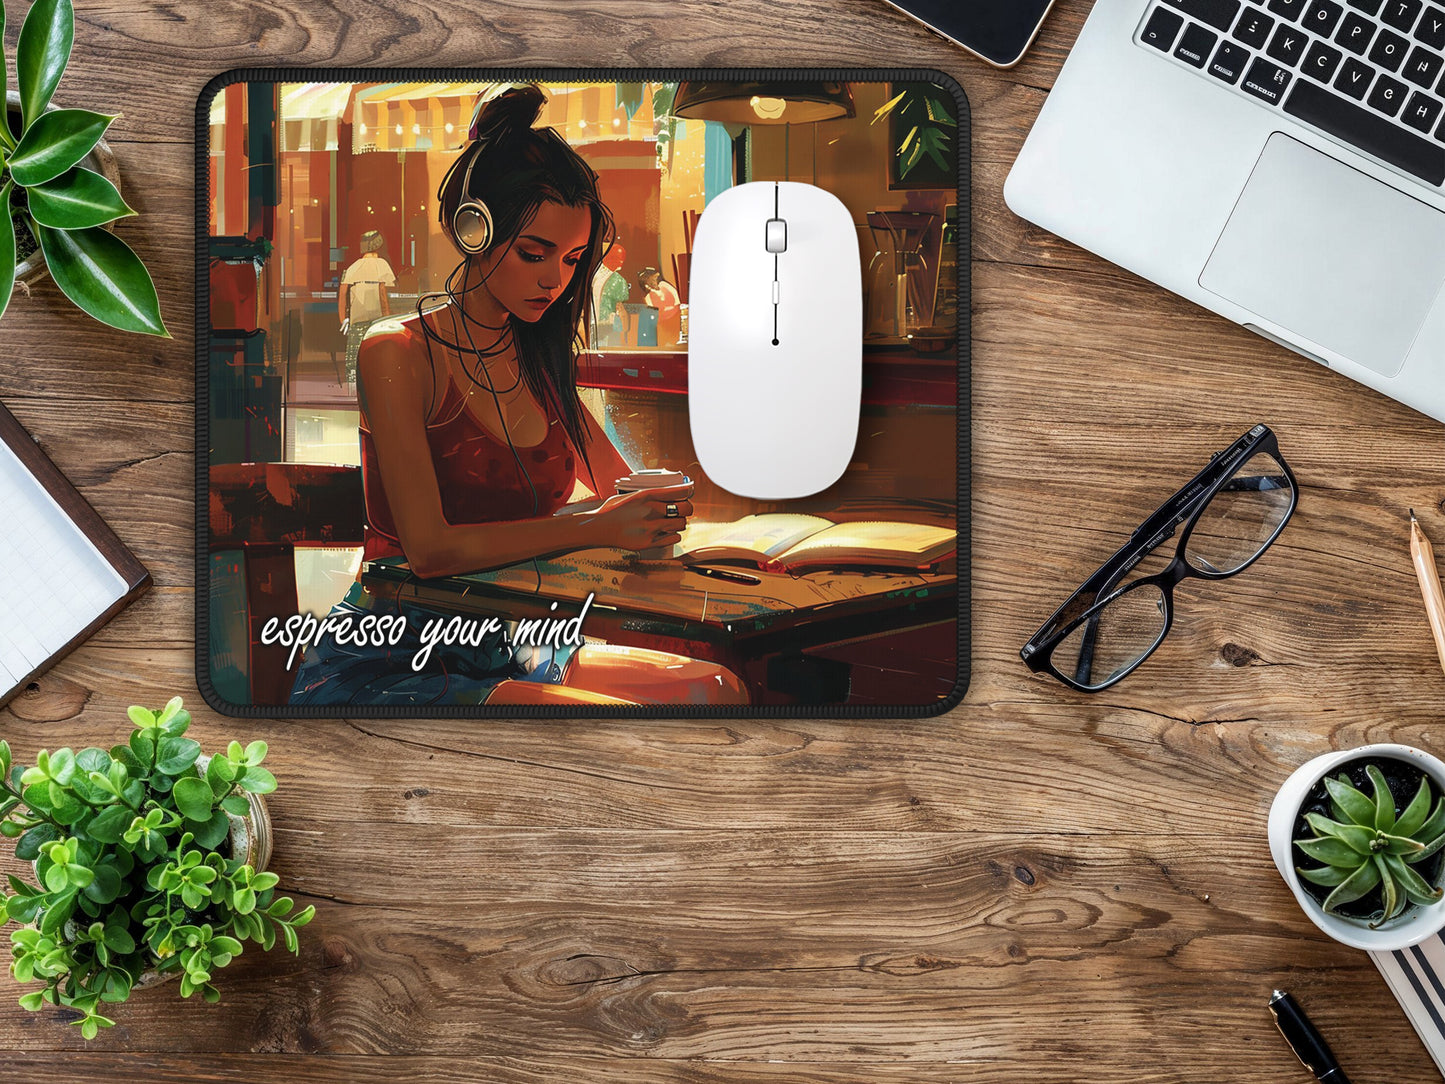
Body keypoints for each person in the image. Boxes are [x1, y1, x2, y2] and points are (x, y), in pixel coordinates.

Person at [291, 85, 742, 707]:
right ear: (473, 230)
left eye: (573, 259)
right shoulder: (395, 353)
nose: (555, 280)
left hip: (511, 640)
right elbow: (430, 550)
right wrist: (596, 527)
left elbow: (617, 491)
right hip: (391, 655)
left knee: (715, 691)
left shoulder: (536, 359)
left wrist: (647, 511)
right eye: (535, 254)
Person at [339, 230, 394, 385]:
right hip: (377, 320)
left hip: (357, 319)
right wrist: (388, 317)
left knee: (354, 357)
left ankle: (352, 387)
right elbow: (383, 294)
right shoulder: (382, 265)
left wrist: (343, 319)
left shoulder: (352, 267)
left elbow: (342, 294)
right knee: (377, 354)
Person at [589, 239, 630, 347]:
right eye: (617, 258)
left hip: (602, 326)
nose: (620, 262)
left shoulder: (596, 275)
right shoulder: (617, 280)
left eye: (622, 259)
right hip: (604, 327)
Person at [638, 266, 682, 348]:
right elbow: (655, 314)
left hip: (676, 318)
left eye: (655, 279)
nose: (654, 282)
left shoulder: (664, 285)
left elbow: (677, 300)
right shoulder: (649, 297)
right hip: (665, 324)